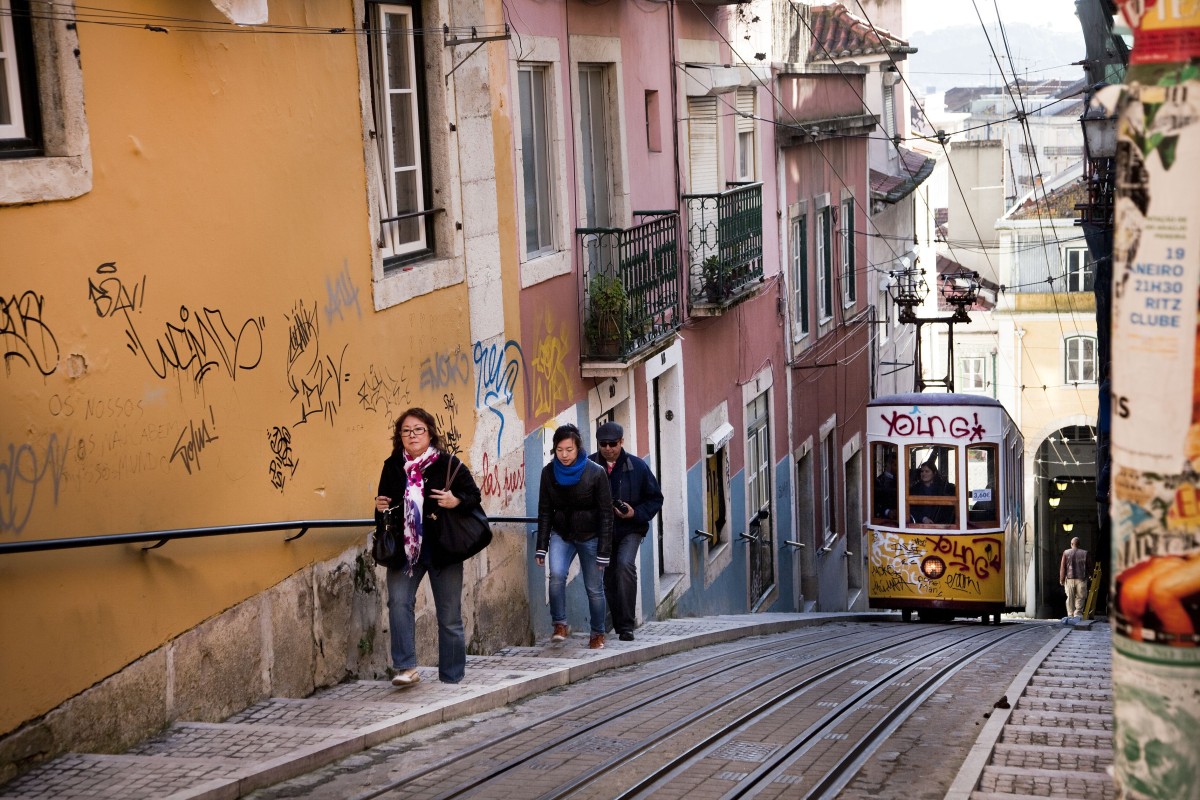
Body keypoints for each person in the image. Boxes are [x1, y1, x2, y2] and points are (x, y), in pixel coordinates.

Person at [374, 408, 482, 687]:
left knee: (449, 615)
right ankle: (406, 667)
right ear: (400, 436)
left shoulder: (447, 463)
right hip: (406, 552)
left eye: (418, 429)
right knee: (398, 602)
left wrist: (455, 501)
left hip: (443, 550)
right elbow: (384, 509)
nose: (412, 435)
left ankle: (452, 677)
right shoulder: (392, 466)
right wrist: (379, 507)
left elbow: (473, 496)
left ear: (430, 432)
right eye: (406, 431)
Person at [536, 424, 613, 650]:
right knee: (556, 575)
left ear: (578, 448)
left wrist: (604, 551)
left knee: (594, 588)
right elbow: (544, 511)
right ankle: (559, 624)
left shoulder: (596, 472)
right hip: (562, 534)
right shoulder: (548, 473)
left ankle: (597, 633)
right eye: (560, 450)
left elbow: (607, 514)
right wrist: (541, 546)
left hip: (591, 536)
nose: (564, 455)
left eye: (569, 449)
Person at [590, 421, 663, 642]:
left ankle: (626, 626)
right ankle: (614, 621)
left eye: (613, 443)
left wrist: (634, 513)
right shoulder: (589, 466)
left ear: (622, 442)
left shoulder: (638, 467)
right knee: (609, 575)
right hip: (601, 531)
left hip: (631, 528)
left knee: (624, 565)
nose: (608, 448)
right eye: (604, 444)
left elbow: (655, 499)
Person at [1060, 537, 1090, 619]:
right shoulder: (1085, 553)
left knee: (1070, 597)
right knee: (1080, 597)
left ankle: (1070, 614)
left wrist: (1062, 579)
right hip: (1081, 579)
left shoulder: (1066, 553)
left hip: (1069, 578)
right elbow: (1088, 566)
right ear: (1079, 544)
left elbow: (1063, 567)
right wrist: (1090, 575)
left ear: (1071, 544)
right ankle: (1078, 613)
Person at [873, 450, 899, 521]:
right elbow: (874, 504)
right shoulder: (879, 482)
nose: (898, 468)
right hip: (884, 520)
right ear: (888, 465)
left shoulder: (899, 479)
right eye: (896, 465)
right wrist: (888, 512)